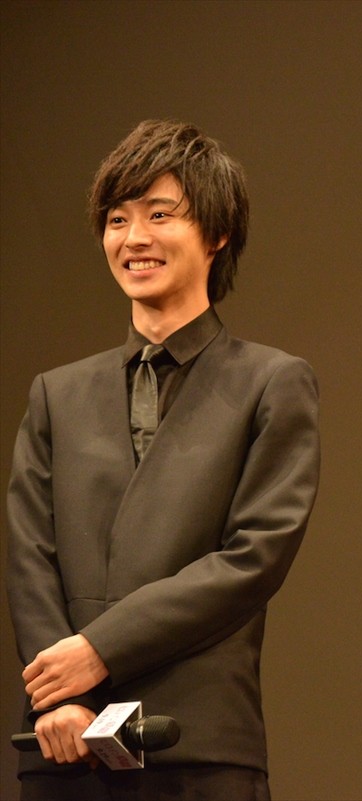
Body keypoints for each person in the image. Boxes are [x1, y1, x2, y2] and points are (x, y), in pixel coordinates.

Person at [6, 119, 320, 799]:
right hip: (63, 741)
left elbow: (253, 556)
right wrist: (57, 692)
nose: (133, 238)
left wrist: (99, 650)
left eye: (159, 214)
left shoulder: (270, 382)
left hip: (196, 741)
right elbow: (30, 553)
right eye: (117, 219)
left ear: (217, 233)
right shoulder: (57, 393)